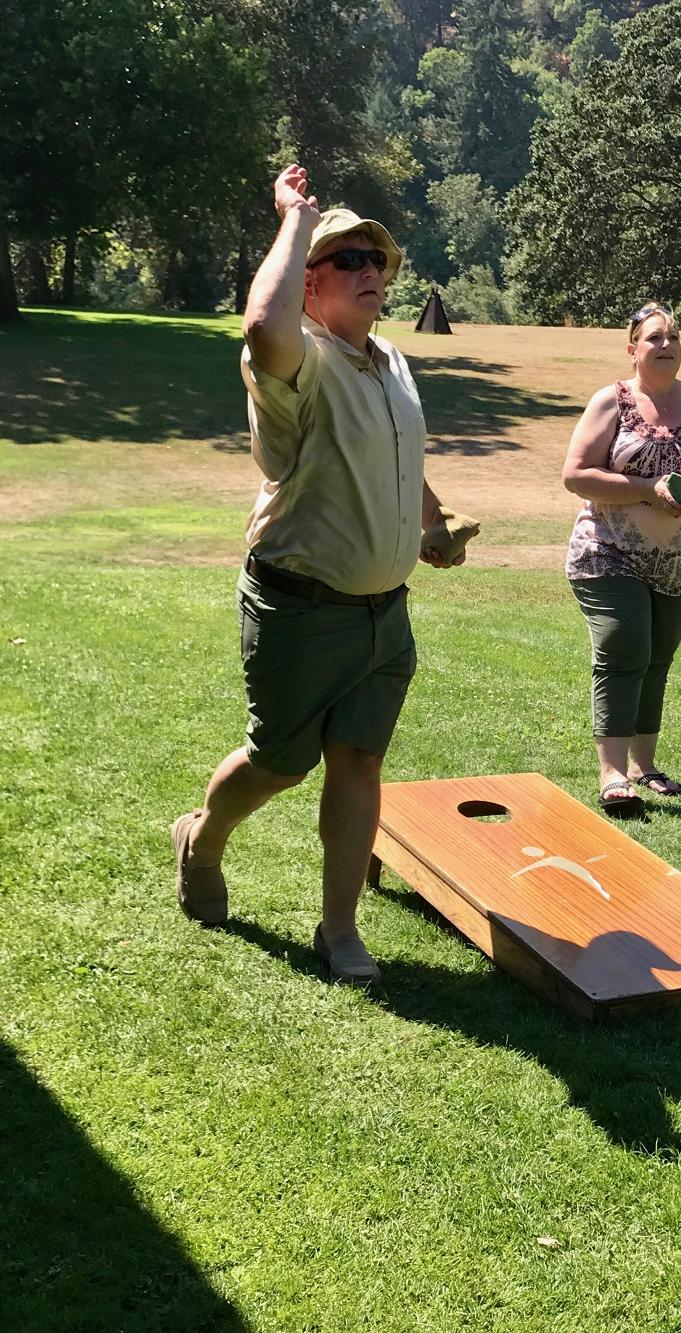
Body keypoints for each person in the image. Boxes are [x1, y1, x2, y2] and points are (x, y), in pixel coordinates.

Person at [171, 164, 475, 985]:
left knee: (360, 764)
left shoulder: (392, 363)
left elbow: (402, 458)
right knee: (279, 761)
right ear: (310, 285)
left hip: (386, 614)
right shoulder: (296, 360)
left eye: (376, 260)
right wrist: (295, 218)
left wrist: (432, 524)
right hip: (302, 608)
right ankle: (202, 837)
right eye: (349, 261)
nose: (371, 272)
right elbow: (258, 320)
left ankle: (339, 929)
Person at [562, 302, 681, 816]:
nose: (666, 346)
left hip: (680, 559)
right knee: (624, 649)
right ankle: (613, 774)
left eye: (674, 338)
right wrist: (648, 489)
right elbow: (576, 474)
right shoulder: (611, 402)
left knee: (656, 660)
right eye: (654, 339)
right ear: (632, 349)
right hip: (608, 550)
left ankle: (645, 764)